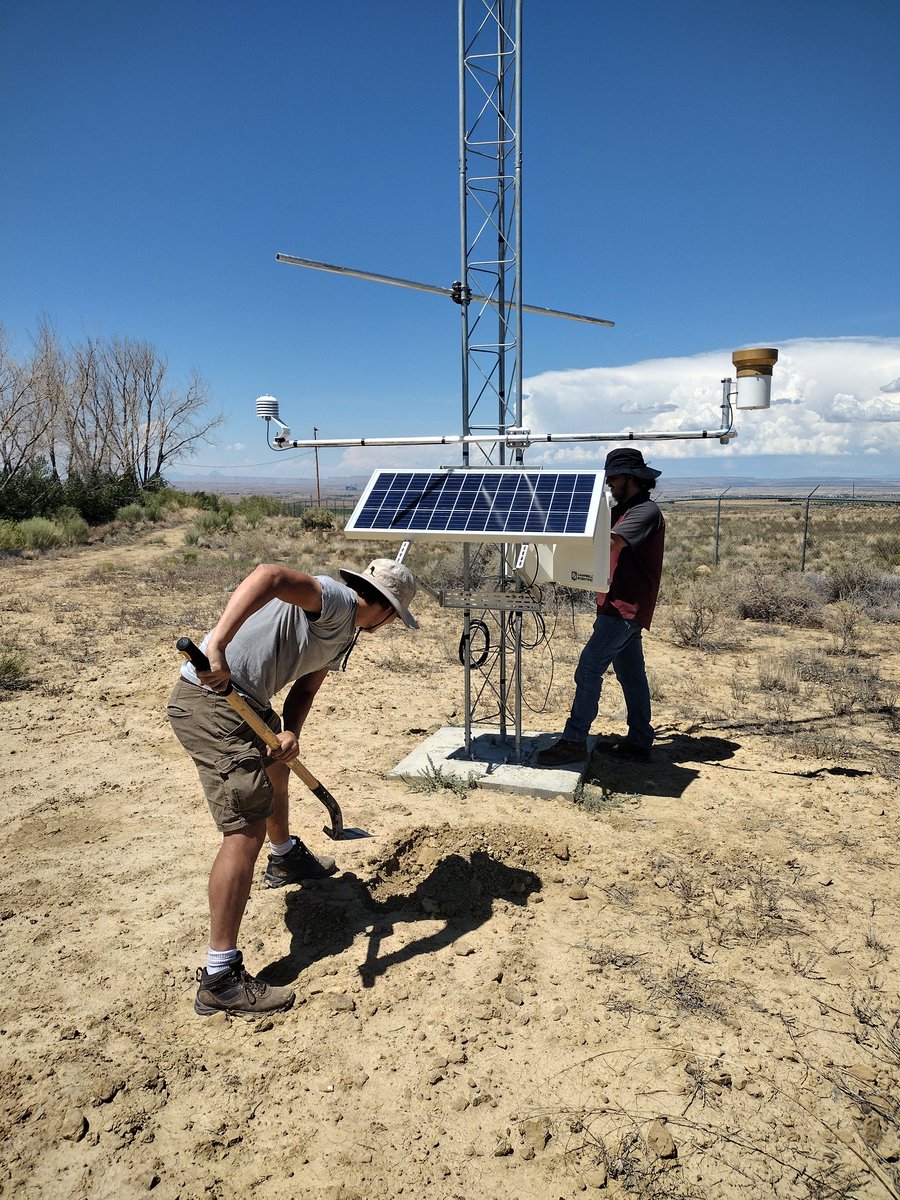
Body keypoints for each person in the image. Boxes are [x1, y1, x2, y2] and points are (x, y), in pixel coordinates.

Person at [167, 556, 418, 1017]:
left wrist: (291, 734)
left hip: (248, 702)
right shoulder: (337, 600)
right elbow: (270, 575)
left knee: (277, 768)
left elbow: (306, 686)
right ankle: (220, 977)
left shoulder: (346, 633)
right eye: (395, 619)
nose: (390, 626)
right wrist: (217, 645)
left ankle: (285, 860)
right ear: (385, 610)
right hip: (211, 701)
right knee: (244, 832)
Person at [537, 447, 665, 767]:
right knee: (632, 676)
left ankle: (573, 741)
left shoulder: (644, 511)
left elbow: (610, 542)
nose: (608, 484)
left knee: (589, 668)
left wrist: (566, 529)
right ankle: (638, 741)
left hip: (624, 609)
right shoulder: (624, 508)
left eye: (612, 478)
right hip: (615, 604)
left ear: (629, 479)